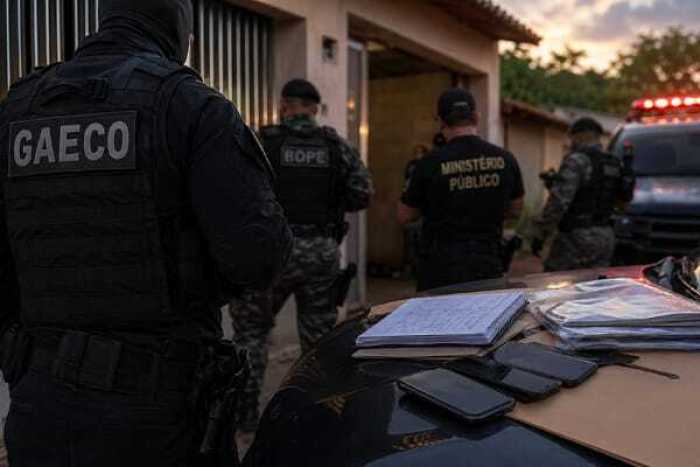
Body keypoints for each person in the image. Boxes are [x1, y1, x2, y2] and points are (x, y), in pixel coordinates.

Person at [0, 0, 292, 465]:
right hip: (157, 408)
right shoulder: (191, 104)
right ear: (178, 29)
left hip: (38, 401)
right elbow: (258, 257)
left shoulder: (18, 106)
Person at [229, 79, 372, 435]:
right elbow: (362, 194)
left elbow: (236, 191)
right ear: (315, 109)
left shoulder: (262, 142)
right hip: (320, 251)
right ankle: (318, 416)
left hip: (270, 251)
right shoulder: (335, 146)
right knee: (319, 339)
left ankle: (244, 418)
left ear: (283, 105)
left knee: (251, 335)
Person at [398, 88, 525, 292]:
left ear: (440, 120)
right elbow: (515, 211)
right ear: (476, 117)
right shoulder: (506, 159)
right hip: (488, 267)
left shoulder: (428, 163)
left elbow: (405, 216)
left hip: (440, 272)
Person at [531, 118, 635, 271]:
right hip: (605, 237)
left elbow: (558, 202)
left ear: (581, 135)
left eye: (572, 137)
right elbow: (622, 202)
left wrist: (541, 234)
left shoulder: (577, 160)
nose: (571, 141)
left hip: (575, 238)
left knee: (554, 281)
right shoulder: (614, 162)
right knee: (595, 282)